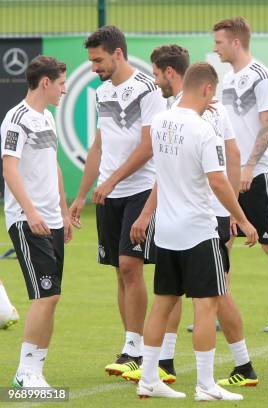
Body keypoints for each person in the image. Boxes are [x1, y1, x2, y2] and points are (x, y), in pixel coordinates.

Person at [124, 44, 259, 388]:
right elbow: (217, 179)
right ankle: (207, 384)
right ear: (209, 89)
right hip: (200, 228)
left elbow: (162, 175)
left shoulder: (159, 122)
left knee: (162, 305)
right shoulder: (205, 129)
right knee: (209, 303)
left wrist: (145, 214)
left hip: (166, 230)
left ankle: (150, 379)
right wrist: (242, 219)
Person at [69, 25, 166, 375]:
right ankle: (131, 345)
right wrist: (81, 195)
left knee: (130, 266)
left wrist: (110, 180)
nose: (94, 68)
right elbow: (98, 144)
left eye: (98, 60)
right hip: (109, 194)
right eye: (92, 61)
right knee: (118, 271)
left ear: (118, 53)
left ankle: (135, 347)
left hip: (140, 189)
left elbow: (148, 146)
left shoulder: (147, 89)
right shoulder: (101, 93)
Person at [213, 17, 268, 332]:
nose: (215, 48)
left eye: (219, 42)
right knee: (224, 239)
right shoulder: (228, 78)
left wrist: (249, 166)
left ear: (235, 42)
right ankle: (221, 309)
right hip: (232, 175)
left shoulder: (261, 76)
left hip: (260, 173)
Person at [1, 56, 71, 387]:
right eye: (61, 83)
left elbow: (53, 166)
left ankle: (36, 370)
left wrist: (64, 210)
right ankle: (25, 372)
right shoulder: (16, 119)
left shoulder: (48, 118)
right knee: (45, 296)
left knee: (52, 296)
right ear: (45, 83)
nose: (64, 89)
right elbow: (9, 169)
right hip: (28, 220)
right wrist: (31, 212)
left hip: (53, 219)